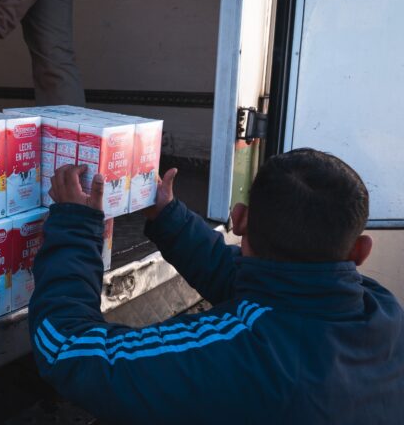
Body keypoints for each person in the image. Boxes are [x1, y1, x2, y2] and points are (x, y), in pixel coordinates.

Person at [28, 149, 404, 424]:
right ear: (360, 251)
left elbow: (67, 349)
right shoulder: (384, 313)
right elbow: (262, 284)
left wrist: (74, 227)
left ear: (238, 219)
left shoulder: (232, 356)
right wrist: (169, 218)